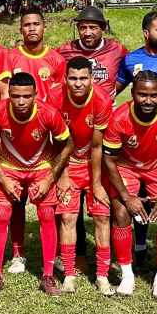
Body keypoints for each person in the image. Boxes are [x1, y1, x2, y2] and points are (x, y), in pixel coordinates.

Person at [101, 71, 157, 300]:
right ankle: (127, 274)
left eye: (153, 95)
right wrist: (126, 197)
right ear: (132, 93)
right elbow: (108, 159)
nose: (148, 100)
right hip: (126, 166)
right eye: (142, 95)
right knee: (120, 211)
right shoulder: (119, 117)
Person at [0, 72, 74, 297]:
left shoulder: (49, 113)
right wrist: (2, 177)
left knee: (46, 215)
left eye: (26, 96)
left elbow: (67, 145)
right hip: (9, 168)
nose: (21, 101)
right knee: (2, 215)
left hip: (41, 169)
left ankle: (47, 275)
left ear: (35, 94)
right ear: (9, 95)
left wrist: (50, 178)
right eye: (16, 96)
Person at [54, 57, 114, 294]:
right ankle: (69, 274)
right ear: (65, 78)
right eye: (73, 78)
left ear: (91, 78)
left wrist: (97, 184)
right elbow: (56, 141)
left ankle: (102, 275)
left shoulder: (102, 99)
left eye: (83, 78)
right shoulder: (56, 97)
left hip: (95, 163)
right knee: (68, 217)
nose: (78, 83)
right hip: (68, 162)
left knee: (101, 218)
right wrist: (63, 174)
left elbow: (98, 146)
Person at [56, 6, 127, 96]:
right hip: (75, 107)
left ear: (103, 28)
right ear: (77, 28)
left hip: (107, 108)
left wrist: (112, 92)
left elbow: (131, 69)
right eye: (83, 28)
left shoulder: (117, 50)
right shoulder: (64, 50)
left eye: (93, 28)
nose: (87, 33)